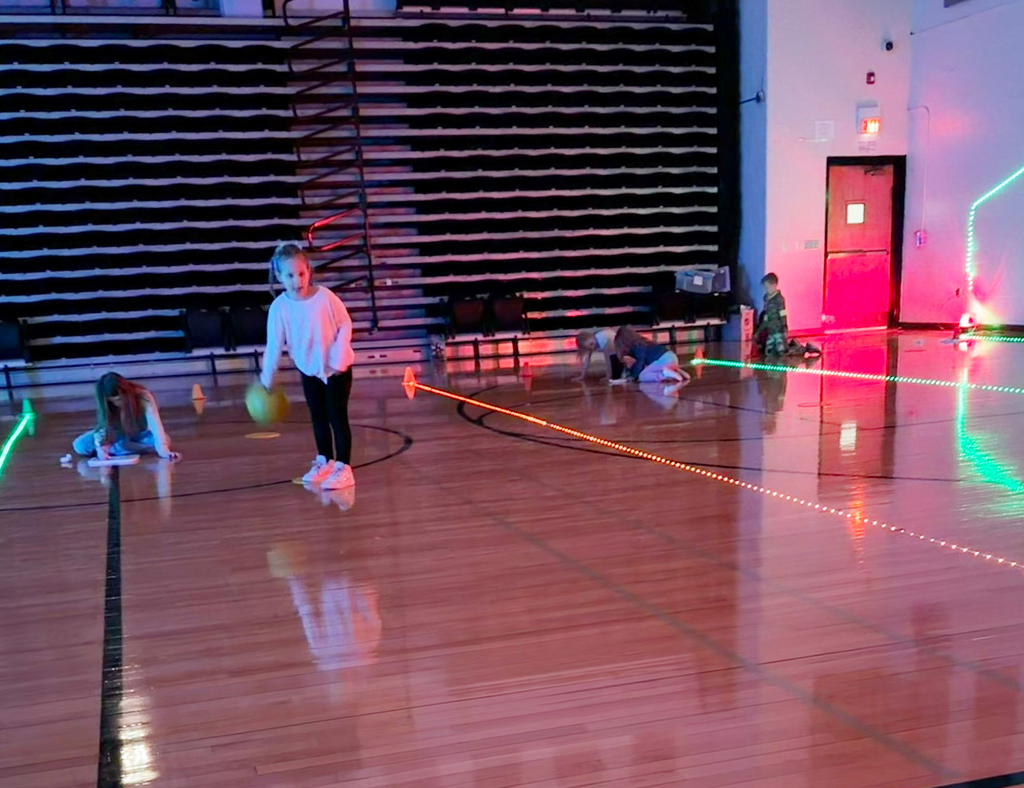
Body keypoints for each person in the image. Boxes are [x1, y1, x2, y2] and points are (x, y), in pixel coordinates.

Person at [261, 242, 355, 491]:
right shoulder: (279, 308)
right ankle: (325, 461)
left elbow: (345, 324)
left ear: (309, 271)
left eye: (301, 274)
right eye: (290, 275)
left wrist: (339, 353)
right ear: (280, 276)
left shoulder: (325, 297)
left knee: (337, 417)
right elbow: (274, 345)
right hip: (309, 371)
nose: (297, 280)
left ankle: (344, 468)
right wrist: (267, 375)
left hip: (337, 370)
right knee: (318, 418)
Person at [72, 372, 180, 461]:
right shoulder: (105, 403)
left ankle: (119, 449)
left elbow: (155, 423)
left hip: (138, 434)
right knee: (80, 445)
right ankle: (119, 448)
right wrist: (101, 448)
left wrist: (163, 449)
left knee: (164, 439)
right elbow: (103, 426)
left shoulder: (142, 396)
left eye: (119, 400)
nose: (117, 404)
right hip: (115, 436)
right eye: (113, 401)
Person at [614, 326, 690, 384]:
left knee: (643, 376)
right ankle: (676, 371)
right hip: (672, 357)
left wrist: (634, 377)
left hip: (664, 360)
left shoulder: (638, 346)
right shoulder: (643, 342)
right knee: (650, 370)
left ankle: (665, 375)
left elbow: (640, 363)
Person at [755, 272, 788, 356]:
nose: (766, 290)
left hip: (778, 330)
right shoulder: (766, 298)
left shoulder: (779, 299)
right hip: (770, 330)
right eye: (765, 288)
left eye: (768, 287)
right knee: (769, 351)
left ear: (774, 285)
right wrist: (759, 331)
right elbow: (766, 316)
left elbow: (783, 314)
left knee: (781, 352)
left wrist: (784, 328)